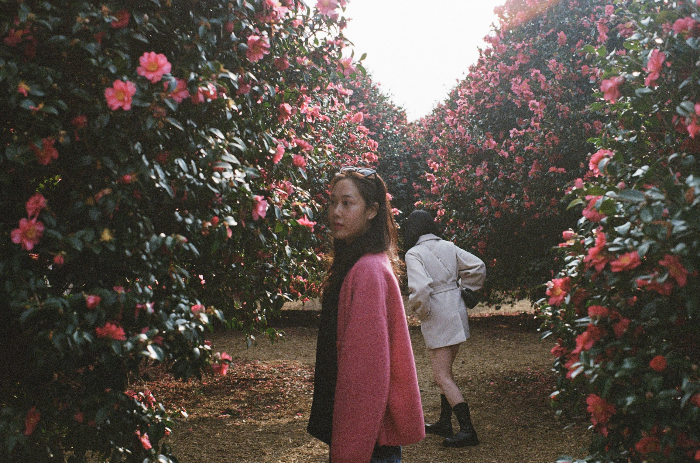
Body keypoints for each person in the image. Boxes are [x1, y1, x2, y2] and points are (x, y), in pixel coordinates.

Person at [307, 166, 425, 463]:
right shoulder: (359, 263)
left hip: (368, 441)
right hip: (368, 438)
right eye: (333, 202)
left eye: (347, 203)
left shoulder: (367, 271)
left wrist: (349, 450)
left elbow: (366, 375)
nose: (336, 212)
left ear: (372, 211)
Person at [403, 210, 486, 448]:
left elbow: (420, 289)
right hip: (456, 310)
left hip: (438, 313)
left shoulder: (413, 253)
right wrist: (466, 287)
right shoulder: (449, 246)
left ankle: (468, 430)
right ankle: (444, 422)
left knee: (441, 376)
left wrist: (421, 312)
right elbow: (478, 266)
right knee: (446, 372)